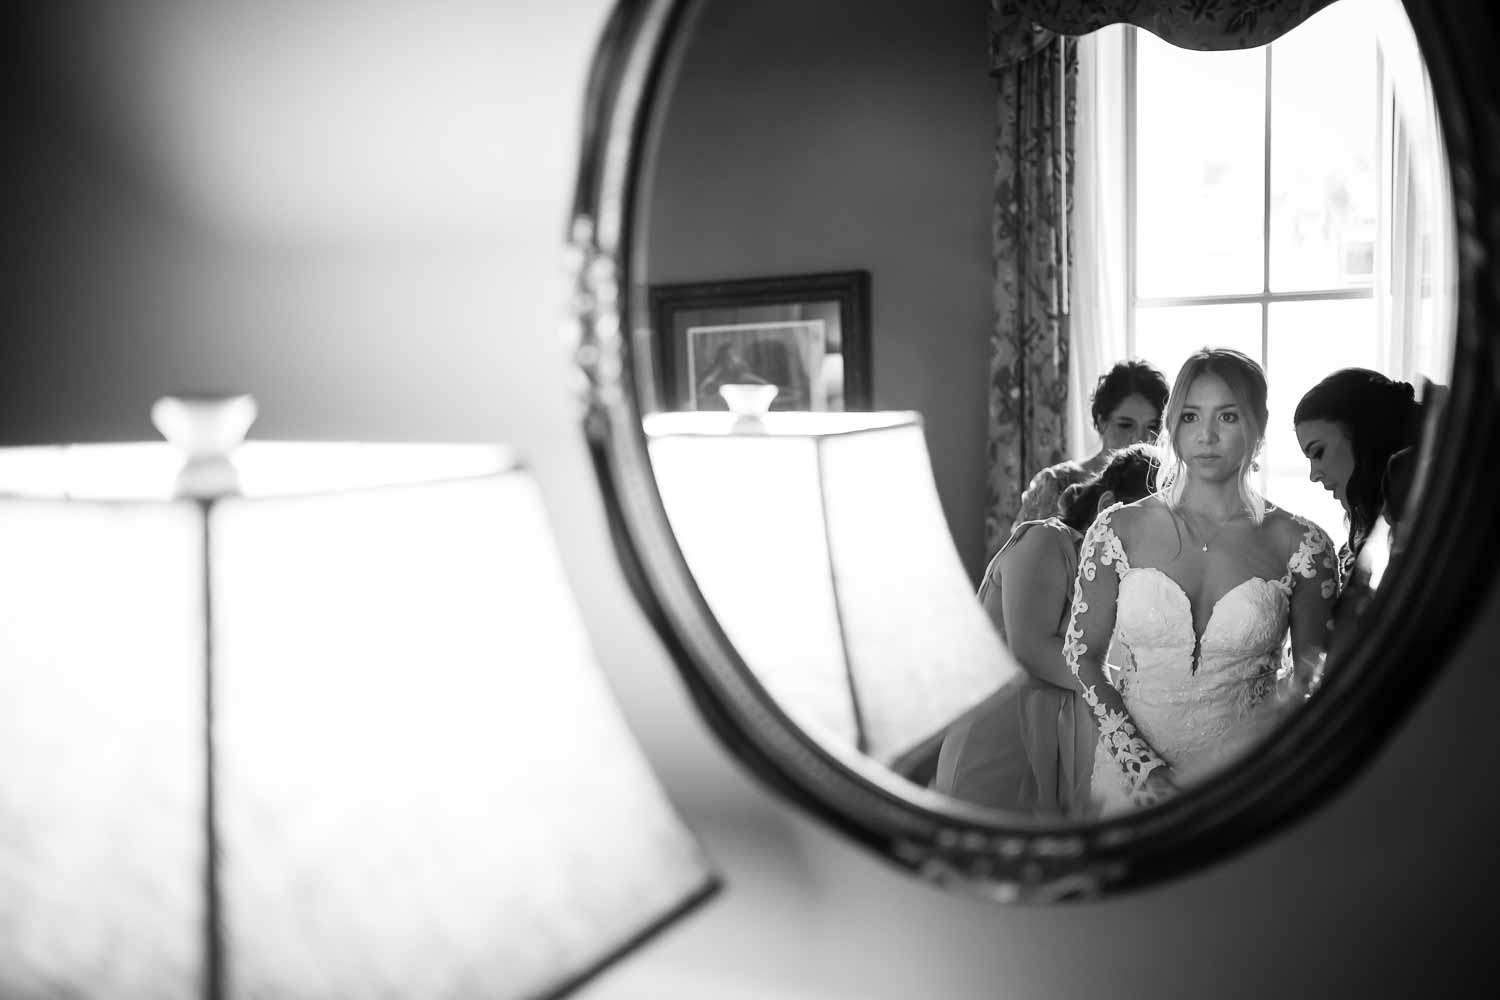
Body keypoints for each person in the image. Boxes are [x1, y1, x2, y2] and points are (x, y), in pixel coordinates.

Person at [1064, 348, 1339, 813]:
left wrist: (1252, 765)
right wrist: (1141, 766)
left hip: (1244, 786)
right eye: (1191, 417)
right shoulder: (1117, 530)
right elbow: (1082, 655)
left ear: (1257, 424)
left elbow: (1311, 677)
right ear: (1173, 425)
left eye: (1227, 416)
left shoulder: (1303, 544)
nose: (1207, 435)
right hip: (1129, 783)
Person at [934, 444, 1159, 820]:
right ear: (1107, 507)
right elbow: (1032, 647)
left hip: (1065, 745)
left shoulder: (1121, 582)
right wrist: (1132, 694)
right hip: (1005, 736)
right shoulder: (1047, 540)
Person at [1293, 368, 1423, 585]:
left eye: (1318, 453)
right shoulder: (1364, 539)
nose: (1313, 475)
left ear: (1363, 436)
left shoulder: (1421, 526)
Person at [1015, 360, 1169, 524]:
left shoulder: (1167, 487)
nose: (1139, 438)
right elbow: (1023, 547)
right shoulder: (1056, 483)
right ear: (1102, 422)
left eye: (1152, 427)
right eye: (1126, 425)